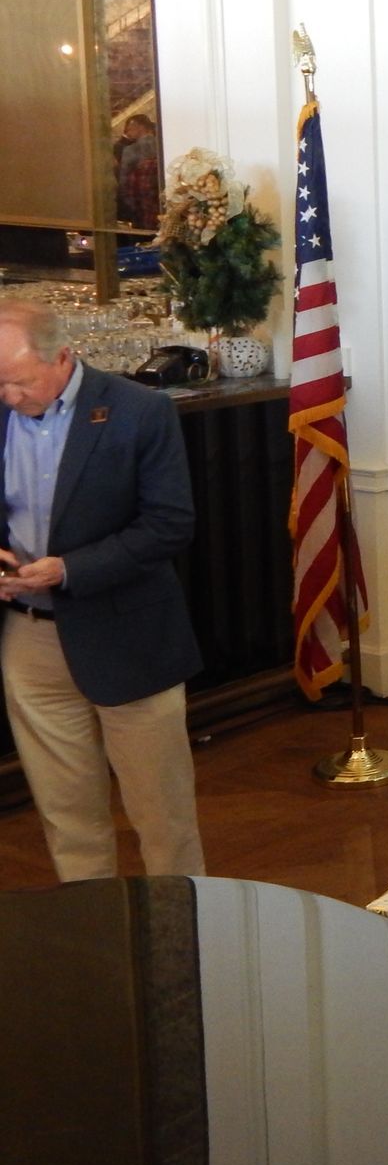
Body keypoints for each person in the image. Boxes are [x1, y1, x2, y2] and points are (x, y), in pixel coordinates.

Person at [0, 300, 204, 880]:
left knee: (162, 819)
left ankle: (181, 943)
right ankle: (99, 944)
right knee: (68, 819)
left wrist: (70, 570)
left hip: (128, 637)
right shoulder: (0, 405)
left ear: (64, 357)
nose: (9, 397)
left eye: (19, 381)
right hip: (29, 642)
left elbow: (169, 524)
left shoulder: (140, 411)